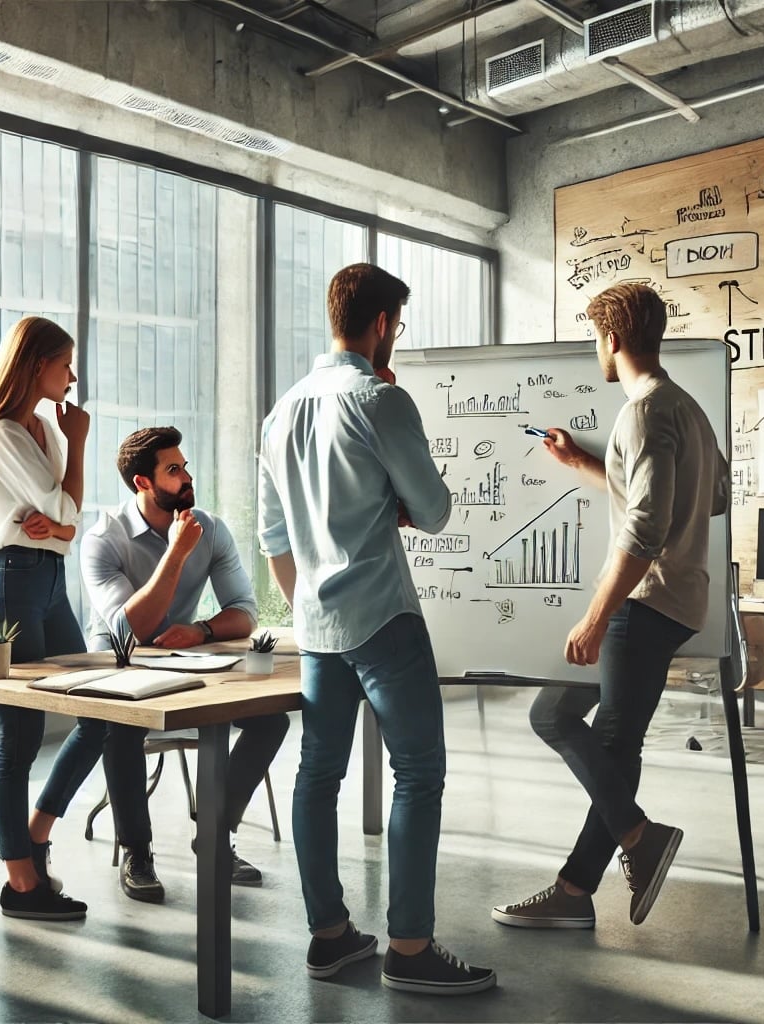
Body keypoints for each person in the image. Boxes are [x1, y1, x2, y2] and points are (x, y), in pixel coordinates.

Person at [258, 263, 495, 996]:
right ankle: (410, 948)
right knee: (418, 774)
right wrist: (394, 499)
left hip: (318, 627)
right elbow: (434, 510)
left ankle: (329, 937)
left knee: (316, 777)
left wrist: (311, 610)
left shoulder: (280, 412)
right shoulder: (379, 400)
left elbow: (274, 540)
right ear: (383, 323)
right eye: (399, 322)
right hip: (384, 619)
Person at [491, 281, 717, 931]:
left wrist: (594, 617)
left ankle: (623, 852)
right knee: (564, 716)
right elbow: (712, 495)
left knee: (601, 732)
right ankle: (602, 866)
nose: (597, 346)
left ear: (612, 339)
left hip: (645, 602)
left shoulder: (644, 412)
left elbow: (645, 531)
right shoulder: (686, 409)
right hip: (677, 598)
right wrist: (584, 461)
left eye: (596, 336)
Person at [26, 426, 289, 903]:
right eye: (174, 470)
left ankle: (213, 832)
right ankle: (137, 853)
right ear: (142, 484)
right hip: (118, 663)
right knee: (120, 726)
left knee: (270, 720)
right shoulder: (104, 539)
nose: (187, 477)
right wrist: (176, 553)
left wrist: (203, 630)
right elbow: (131, 630)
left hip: (184, 659)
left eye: (184, 466)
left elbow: (244, 612)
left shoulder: (210, 527)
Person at [0, 315, 92, 922]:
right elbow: (65, 507)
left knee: (98, 713)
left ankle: (33, 835)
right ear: (37, 365)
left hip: (49, 582)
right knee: (21, 740)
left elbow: (68, 526)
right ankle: (21, 885)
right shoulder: (2, 433)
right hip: (9, 585)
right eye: (65, 363)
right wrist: (61, 514)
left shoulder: (46, 431)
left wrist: (59, 524)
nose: (72, 375)